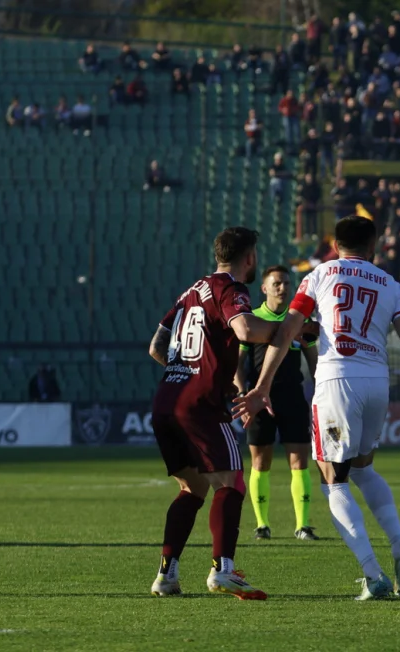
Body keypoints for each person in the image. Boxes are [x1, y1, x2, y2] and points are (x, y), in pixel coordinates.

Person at [233, 215, 400, 601]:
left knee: (333, 480)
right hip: (377, 383)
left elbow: (287, 331)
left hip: (337, 381)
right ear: (374, 247)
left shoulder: (320, 274)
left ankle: (373, 574)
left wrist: (262, 385)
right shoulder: (390, 284)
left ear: (336, 246)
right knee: (365, 470)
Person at [146, 227, 285, 600]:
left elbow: (156, 346)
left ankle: (167, 574)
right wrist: (290, 328)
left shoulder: (191, 290)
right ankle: (223, 570)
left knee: (193, 487)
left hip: (166, 401)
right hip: (198, 405)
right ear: (249, 257)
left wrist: (189, 370)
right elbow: (245, 329)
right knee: (232, 482)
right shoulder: (230, 288)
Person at [235, 266, 320, 542]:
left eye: (286, 283)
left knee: (299, 460)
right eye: (277, 284)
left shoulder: (300, 321)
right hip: (259, 398)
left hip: (292, 396)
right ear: (264, 288)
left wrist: (321, 386)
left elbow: (312, 359)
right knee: (260, 461)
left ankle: (303, 526)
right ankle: (262, 525)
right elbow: (239, 362)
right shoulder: (253, 320)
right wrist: (240, 390)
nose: (283, 288)